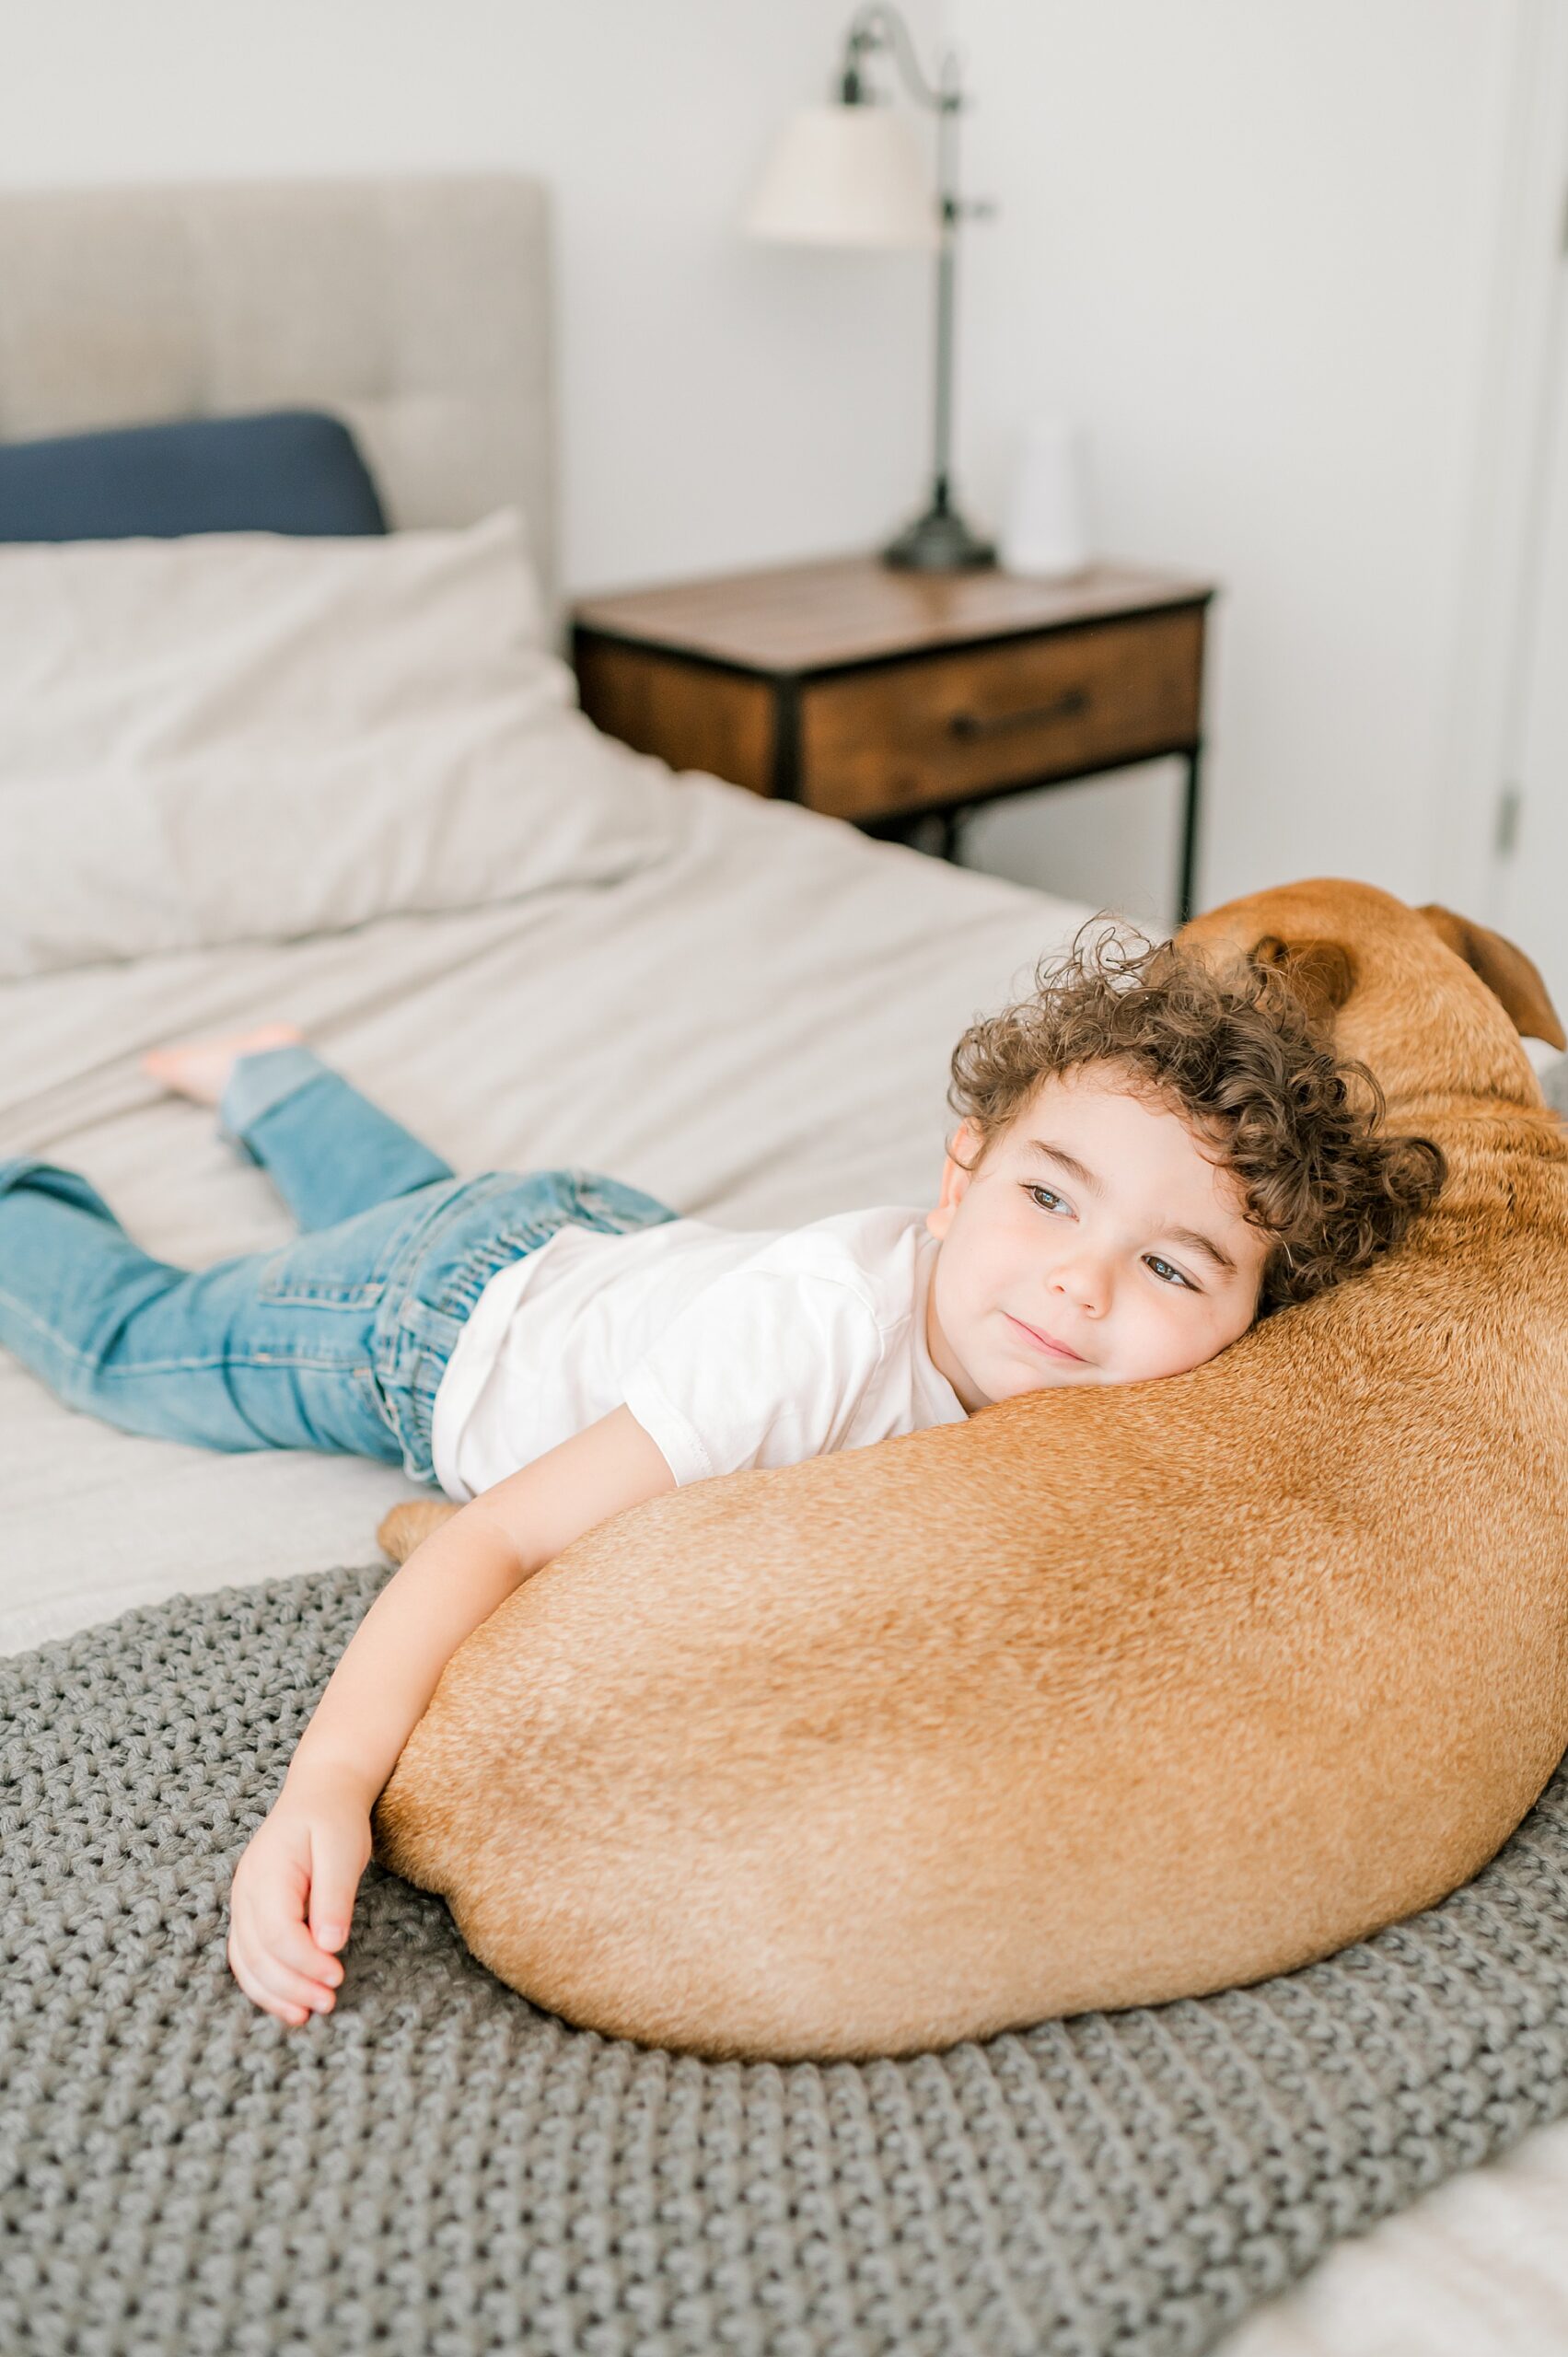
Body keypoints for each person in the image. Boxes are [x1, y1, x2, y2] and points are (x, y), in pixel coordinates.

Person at [0, 926, 1446, 2025]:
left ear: (1253, 1326)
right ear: (957, 1181)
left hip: (615, 1243)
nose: (1077, 1285)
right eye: (1050, 1195)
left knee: (427, 1197)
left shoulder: (1142, 1418)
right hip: (440, 1323)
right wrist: (325, 1786)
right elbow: (489, 1544)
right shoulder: (806, 1341)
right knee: (136, 1346)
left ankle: (275, 1077)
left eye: (1170, 1264)